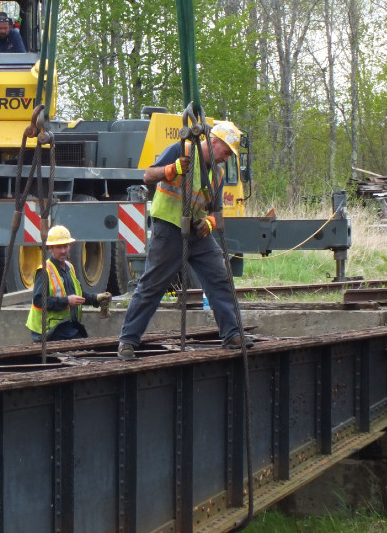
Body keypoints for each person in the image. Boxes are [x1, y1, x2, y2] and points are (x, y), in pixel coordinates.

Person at [117, 120, 248, 359]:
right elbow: (148, 175)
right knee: (152, 285)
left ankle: (232, 334)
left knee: (220, 277)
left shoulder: (216, 175)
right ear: (214, 142)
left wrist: (209, 223)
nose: (226, 159)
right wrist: (172, 169)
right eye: (226, 152)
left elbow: (215, 211)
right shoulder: (181, 150)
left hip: (197, 234)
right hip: (169, 228)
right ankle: (128, 340)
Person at [27, 224, 111, 342]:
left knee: (83, 337)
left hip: (65, 325)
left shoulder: (69, 267)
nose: (63, 251)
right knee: (81, 343)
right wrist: (66, 301)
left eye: (65, 246)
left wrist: (96, 298)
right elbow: (39, 300)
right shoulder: (45, 270)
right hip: (49, 328)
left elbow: (77, 295)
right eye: (59, 247)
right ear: (51, 248)